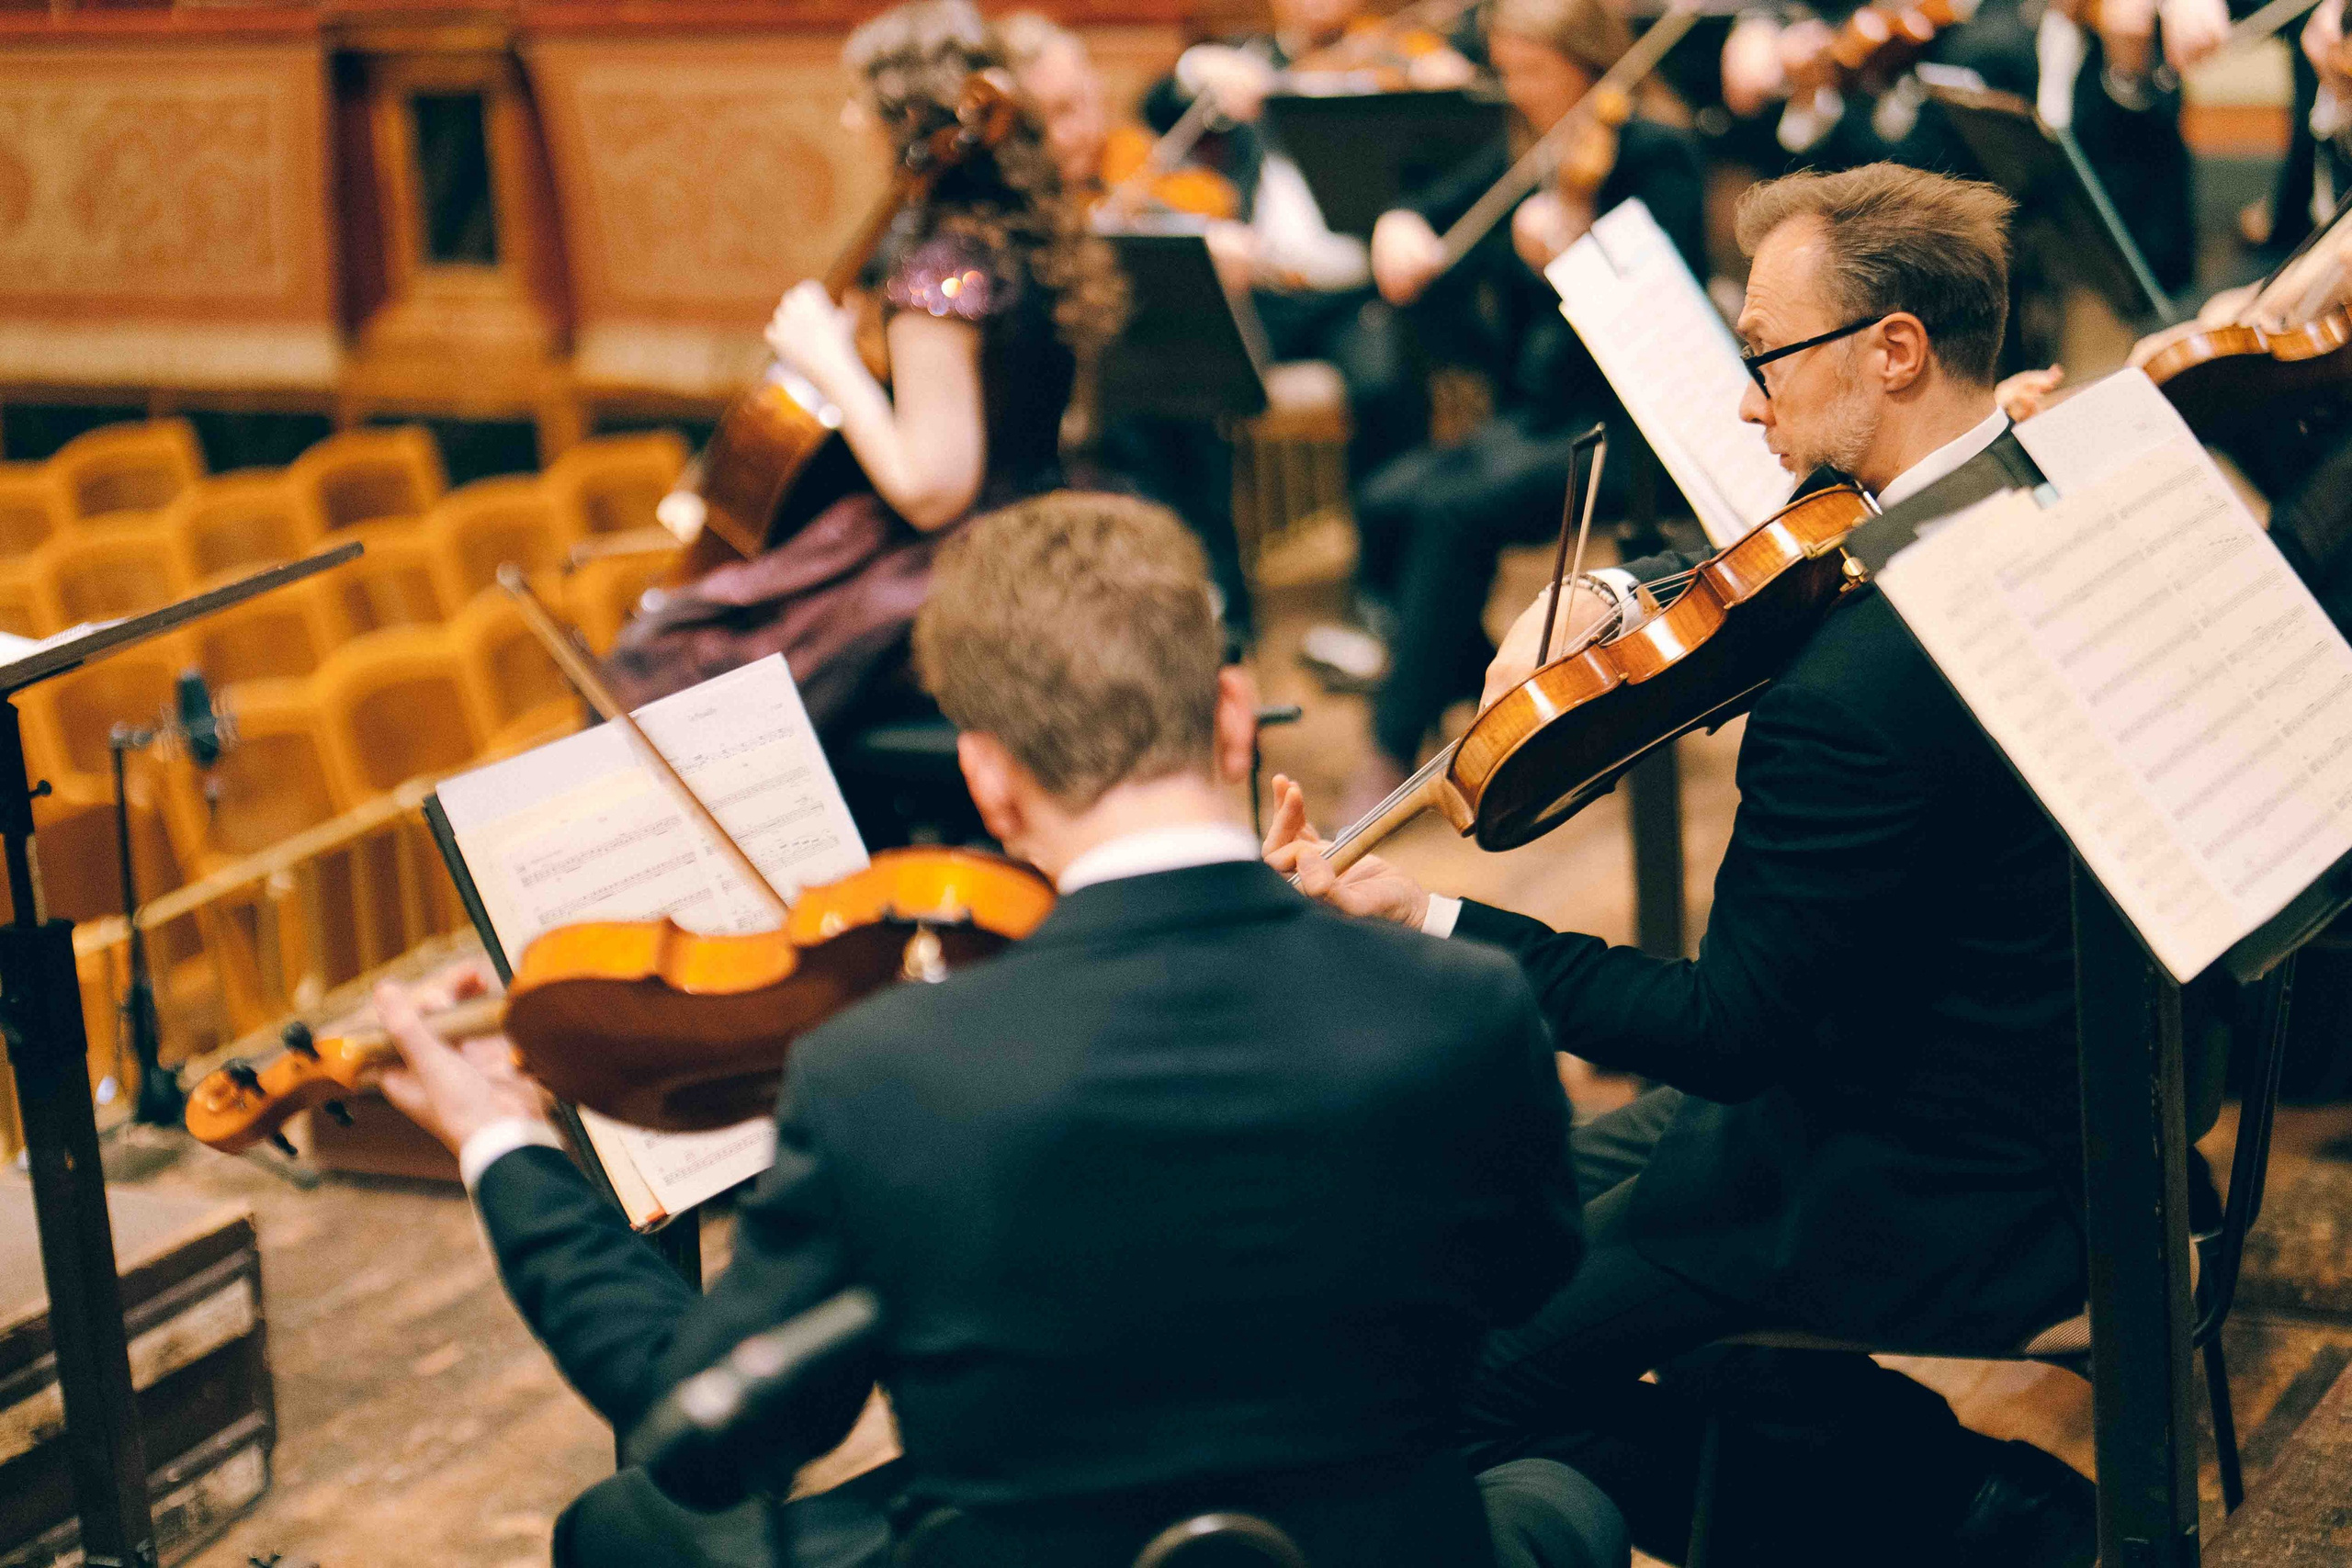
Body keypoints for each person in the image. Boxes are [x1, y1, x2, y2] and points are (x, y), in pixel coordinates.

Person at [378, 491, 1632, 1568]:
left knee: (626, 1527)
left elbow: (706, 1436)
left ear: (986, 780)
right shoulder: (1463, 1005)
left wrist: (503, 1144)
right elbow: (1522, 1279)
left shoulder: (890, 1073)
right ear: (1232, 712)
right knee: (1552, 1500)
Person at [1274, 164, 2098, 1565]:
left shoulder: (1851, 696)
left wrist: (1423, 911)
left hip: (1908, 1165)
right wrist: (1611, 589)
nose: (1746, 402)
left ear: (1895, 350)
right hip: (1997, 1081)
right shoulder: (2023, 487)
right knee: (1484, 1218)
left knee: (1445, 1386)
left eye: (1767, 355)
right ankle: (1890, 1469)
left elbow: (1723, 1028)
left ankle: (1958, 1509)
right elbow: (1769, 569)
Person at [605, 0, 1125, 735]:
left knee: (666, 660)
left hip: (960, 568)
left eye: (863, 105)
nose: (852, 122)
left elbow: (932, 489)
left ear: (905, 118)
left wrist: (829, 359)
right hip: (1038, 526)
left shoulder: (941, 272)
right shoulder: (1021, 238)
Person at [1319, 0, 1706, 821]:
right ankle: (1476, 686)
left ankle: (1394, 743)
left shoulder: (1654, 151)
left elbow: (1671, 309)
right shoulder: (1533, 149)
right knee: (1385, 498)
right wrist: (1398, 225)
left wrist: (1582, 250)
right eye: (1507, 69)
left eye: (1531, 69)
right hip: (1538, 416)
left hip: (1625, 427)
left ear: (1585, 60)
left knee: (1452, 514)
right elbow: (1434, 208)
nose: (1516, 87)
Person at [999, 11, 1257, 642]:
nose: (1082, 130)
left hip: (1156, 407)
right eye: (1054, 116)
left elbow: (1217, 209)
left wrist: (1205, 246)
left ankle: (1217, 606)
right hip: (1050, 427)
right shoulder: (1006, 214)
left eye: (1084, 102)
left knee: (1179, 389)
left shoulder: (1131, 165)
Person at [1136, 0, 1456, 489]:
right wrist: (1194, 67)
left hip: (1359, 295)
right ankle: (1210, 537)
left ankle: (1382, 531)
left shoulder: (1397, 60)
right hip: (1265, 290)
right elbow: (1156, 109)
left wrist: (1452, 88)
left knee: (1387, 384)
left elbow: (1453, 151)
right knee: (1184, 375)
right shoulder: (1256, 60)